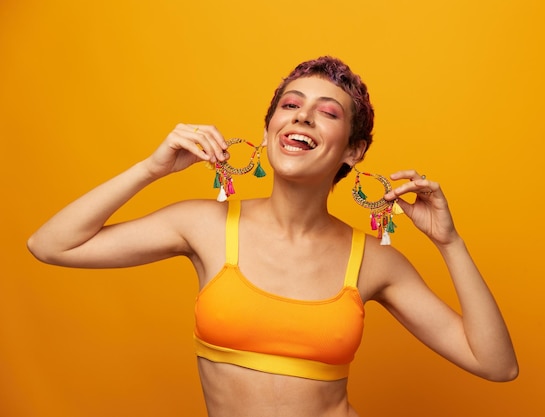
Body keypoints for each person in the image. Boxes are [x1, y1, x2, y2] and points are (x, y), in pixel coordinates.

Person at [27, 56, 518, 417]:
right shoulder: (204, 226)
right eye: (290, 104)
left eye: (328, 112)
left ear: (354, 151)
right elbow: (51, 245)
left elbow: (496, 365)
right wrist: (150, 169)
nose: (302, 116)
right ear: (269, 131)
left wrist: (449, 243)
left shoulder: (374, 262)